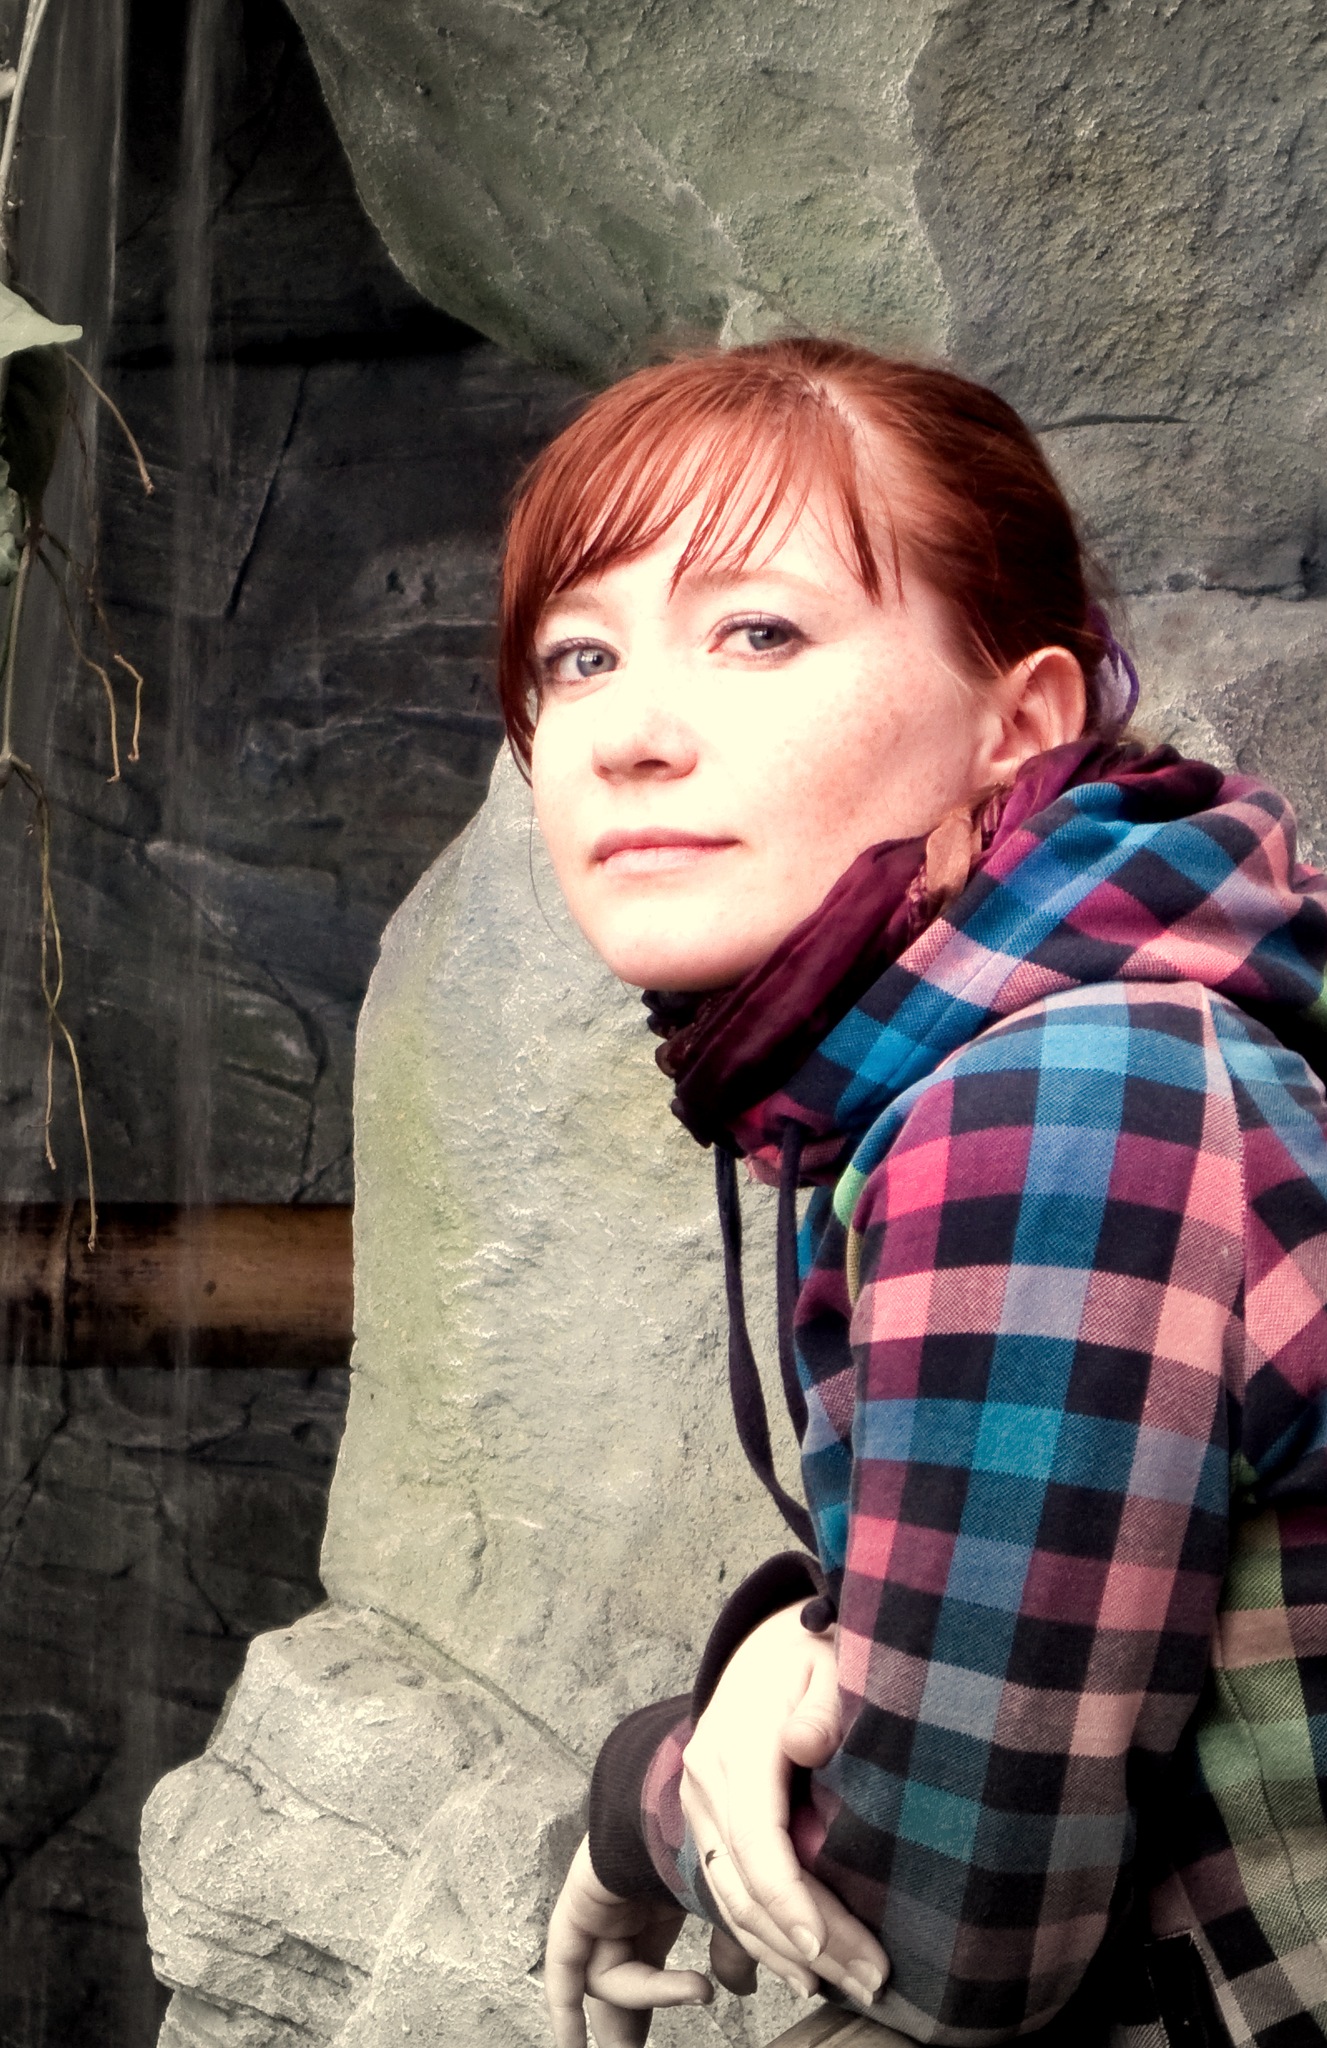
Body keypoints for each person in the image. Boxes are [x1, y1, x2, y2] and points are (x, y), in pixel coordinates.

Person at [495, 338, 1327, 2048]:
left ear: (1016, 720)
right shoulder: (990, 1059)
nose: (630, 735)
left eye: (758, 632)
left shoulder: (1064, 1099)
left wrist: (639, 1793)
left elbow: (946, 1943)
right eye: (579, 656)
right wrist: (792, 1647)